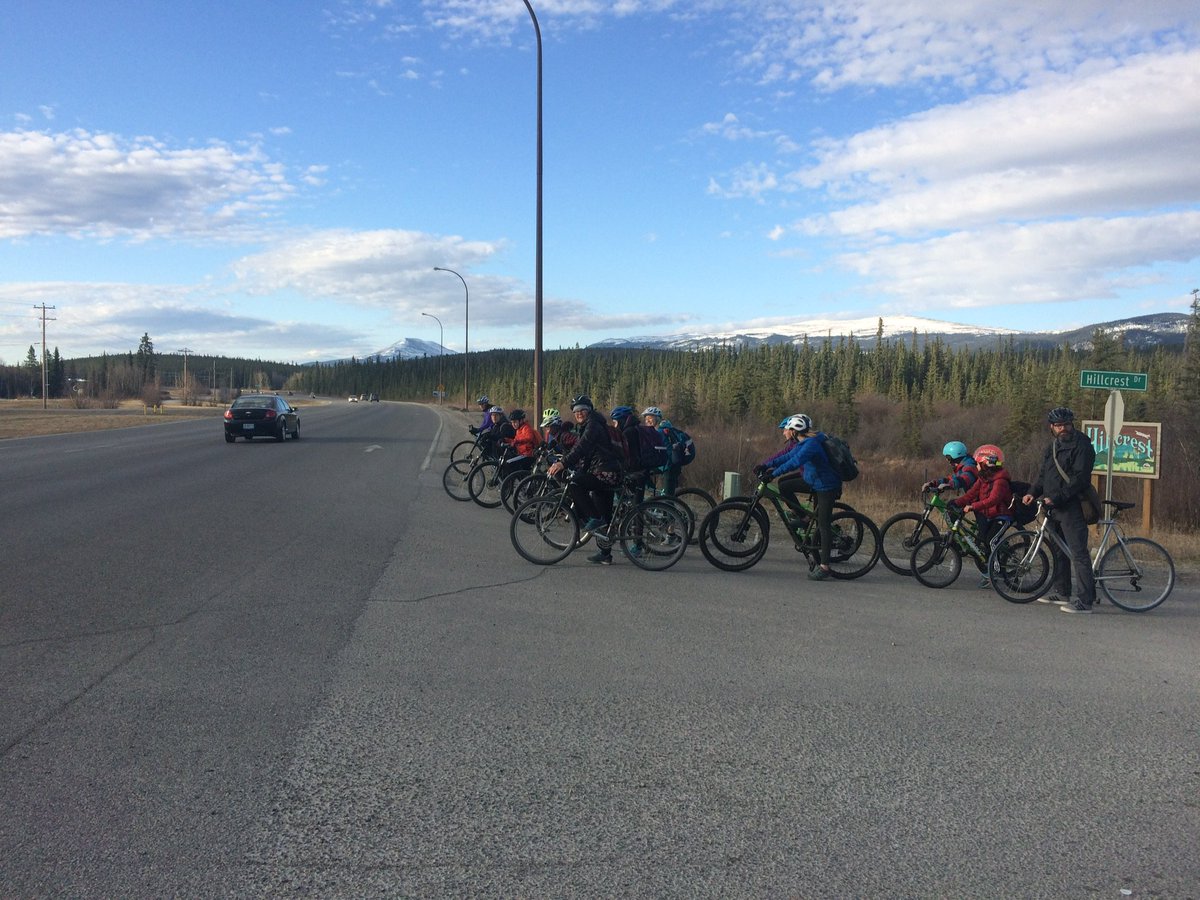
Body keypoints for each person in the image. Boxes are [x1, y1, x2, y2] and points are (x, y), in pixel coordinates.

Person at [1023, 407, 1098, 613]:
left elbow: (1080, 479)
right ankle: (1062, 591)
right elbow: (1043, 476)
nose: (1063, 428)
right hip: (1052, 507)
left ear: (1072, 424)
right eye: (1059, 425)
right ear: (1052, 427)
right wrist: (1032, 492)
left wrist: (1057, 497)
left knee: (1078, 553)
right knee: (1058, 550)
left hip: (1072, 507)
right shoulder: (1053, 447)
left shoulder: (1082, 445)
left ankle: (1085, 601)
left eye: (1066, 424)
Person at [756, 413, 843, 581]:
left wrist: (773, 474)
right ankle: (804, 518)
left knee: (823, 525)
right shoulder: (804, 442)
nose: (783, 433)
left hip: (826, 486)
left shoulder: (811, 445)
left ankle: (825, 567)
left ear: (795, 431)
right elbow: (787, 456)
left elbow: (794, 462)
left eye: (786, 430)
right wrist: (766, 465)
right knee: (785, 486)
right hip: (813, 480)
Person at [547, 395, 625, 564]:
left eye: (582, 409)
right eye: (575, 411)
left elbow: (582, 447)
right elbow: (587, 454)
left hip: (607, 472)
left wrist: (563, 463)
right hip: (602, 471)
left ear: (589, 410)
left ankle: (595, 521)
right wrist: (576, 468)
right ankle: (605, 554)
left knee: (575, 484)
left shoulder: (593, 426)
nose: (579, 413)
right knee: (603, 513)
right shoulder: (589, 425)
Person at [949, 444, 1013, 587]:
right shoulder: (983, 478)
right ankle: (991, 570)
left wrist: (973, 506)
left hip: (1002, 516)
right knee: (981, 541)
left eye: (978, 464)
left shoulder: (1000, 480)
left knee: (991, 541)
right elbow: (972, 493)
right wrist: (957, 503)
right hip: (990, 515)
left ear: (985, 464)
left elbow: (993, 500)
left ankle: (994, 574)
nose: (975, 466)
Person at [498, 409, 539, 478]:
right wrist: (506, 440)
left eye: (515, 422)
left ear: (521, 421)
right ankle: (519, 481)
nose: (513, 424)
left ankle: (516, 484)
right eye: (512, 422)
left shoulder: (526, 428)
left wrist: (516, 441)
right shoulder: (519, 430)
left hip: (528, 455)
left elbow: (529, 437)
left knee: (509, 463)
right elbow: (515, 440)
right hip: (522, 453)